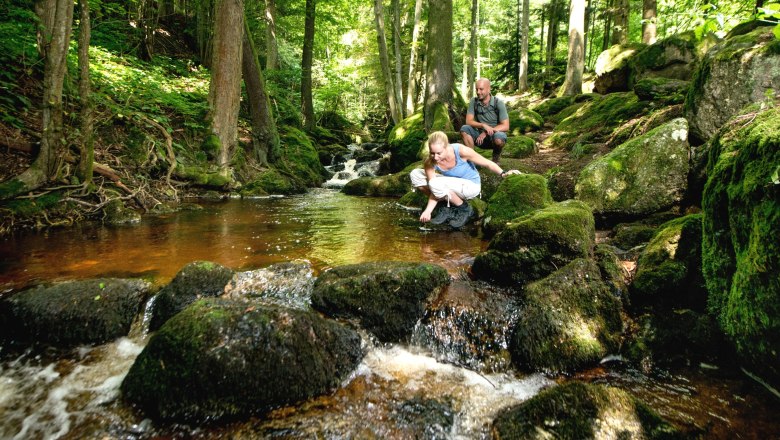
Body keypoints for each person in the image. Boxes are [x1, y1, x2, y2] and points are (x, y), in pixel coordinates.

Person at [410, 131, 521, 228]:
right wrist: (428, 211)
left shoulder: (461, 151)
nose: (435, 157)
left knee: (435, 182)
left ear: (447, 147)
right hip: (452, 184)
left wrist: (503, 173)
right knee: (415, 174)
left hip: (470, 186)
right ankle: (445, 205)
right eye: (432, 153)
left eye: (439, 153)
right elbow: (434, 189)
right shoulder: (430, 161)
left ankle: (464, 208)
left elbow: (487, 163)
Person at [459, 78, 510, 163]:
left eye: (481, 89)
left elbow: (506, 126)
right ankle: (472, 159)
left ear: (489, 89)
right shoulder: (474, 101)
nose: (478, 92)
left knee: (499, 139)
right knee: (464, 129)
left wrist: (487, 131)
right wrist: (483, 125)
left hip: (494, 136)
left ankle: (496, 157)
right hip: (479, 136)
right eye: (477, 89)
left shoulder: (498, 102)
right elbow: (468, 121)